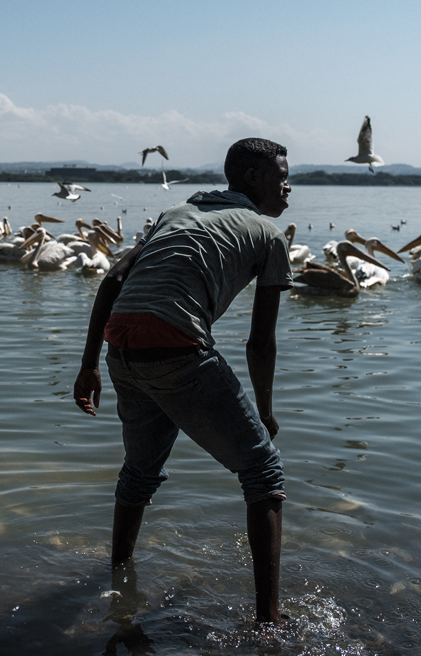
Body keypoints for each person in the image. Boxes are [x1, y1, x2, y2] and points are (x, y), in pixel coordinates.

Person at [73, 137, 293, 623]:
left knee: (139, 471)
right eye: (282, 175)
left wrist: (89, 364)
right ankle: (269, 622)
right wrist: (265, 410)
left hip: (121, 348)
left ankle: (118, 579)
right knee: (264, 474)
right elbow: (260, 343)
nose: (288, 186)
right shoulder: (269, 235)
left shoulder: (177, 212)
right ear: (254, 178)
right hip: (176, 349)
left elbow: (112, 280)